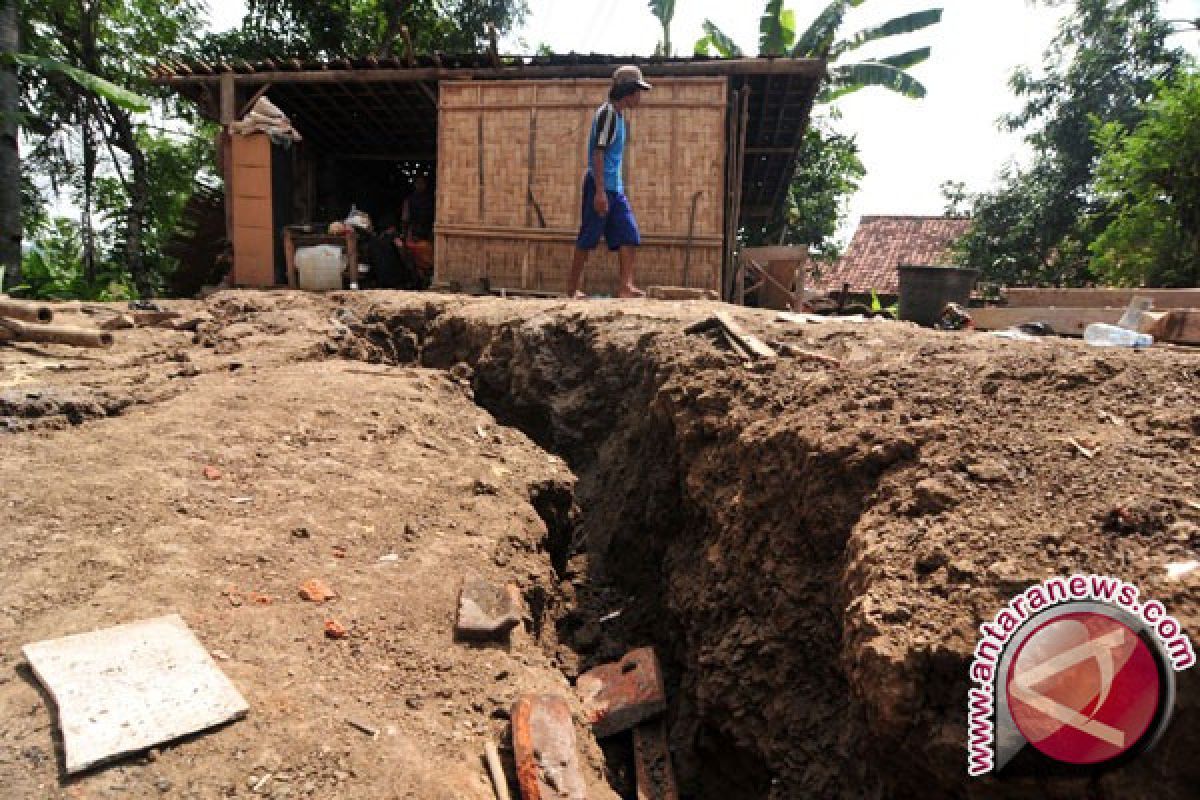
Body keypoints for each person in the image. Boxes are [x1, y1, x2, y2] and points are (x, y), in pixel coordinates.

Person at [567, 65, 652, 298]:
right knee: (588, 237)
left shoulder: (618, 116)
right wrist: (600, 192)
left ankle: (625, 286)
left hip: (615, 187)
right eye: (638, 92)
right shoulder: (607, 115)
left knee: (629, 234)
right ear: (628, 91)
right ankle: (571, 290)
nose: (640, 97)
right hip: (601, 185)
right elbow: (598, 152)